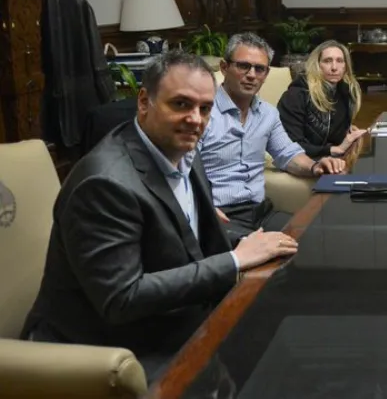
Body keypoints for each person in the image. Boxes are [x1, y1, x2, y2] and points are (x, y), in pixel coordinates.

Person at [21, 52, 299, 379]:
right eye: (181, 104)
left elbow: (181, 233)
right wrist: (236, 260)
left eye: (205, 108)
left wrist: (246, 241)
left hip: (170, 317)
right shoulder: (104, 184)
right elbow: (122, 298)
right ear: (144, 101)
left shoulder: (181, 148)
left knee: (281, 338)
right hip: (107, 346)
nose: (195, 119)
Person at [199, 33, 346, 243]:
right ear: (224, 67)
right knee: (276, 254)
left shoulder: (268, 114)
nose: (252, 75)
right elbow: (181, 172)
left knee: (321, 238)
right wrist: (200, 208)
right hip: (220, 216)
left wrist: (315, 167)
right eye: (243, 66)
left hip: (261, 212)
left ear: (266, 74)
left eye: (259, 69)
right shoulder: (201, 114)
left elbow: (288, 154)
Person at [277, 40, 368, 159]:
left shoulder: (345, 92)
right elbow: (290, 145)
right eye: (327, 61)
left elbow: (332, 133)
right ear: (317, 65)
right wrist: (334, 150)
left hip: (333, 157)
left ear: (346, 66)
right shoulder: (295, 96)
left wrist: (348, 133)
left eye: (340, 61)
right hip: (303, 160)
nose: (334, 67)